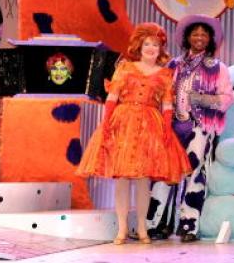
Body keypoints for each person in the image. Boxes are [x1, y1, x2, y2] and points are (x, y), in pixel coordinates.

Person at [77, 23, 191, 244]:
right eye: (147, 43)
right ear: (140, 46)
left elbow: (167, 104)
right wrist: (107, 121)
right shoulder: (126, 67)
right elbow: (113, 96)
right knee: (122, 179)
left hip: (150, 125)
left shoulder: (166, 74)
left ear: (160, 48)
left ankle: (141, 228)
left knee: (142, 179)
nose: (150, 48)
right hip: (124, 122)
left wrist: (167, 127)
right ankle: (121, 229)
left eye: (155, 44)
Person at [146, 14, 234, 242]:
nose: (199, 37)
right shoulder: (173, 65)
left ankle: (188, 225)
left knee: (195, 173)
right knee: (164, 173)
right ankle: (156, 224)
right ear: (187, 37)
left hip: (200, 126)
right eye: (195, 33)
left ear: (210, 39)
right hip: (172, 125)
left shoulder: (217, 68)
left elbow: (226, 99)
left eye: (204, 34)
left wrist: (202, 99)